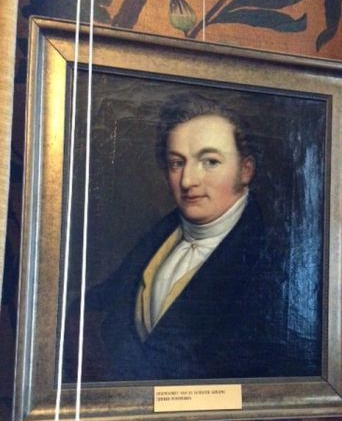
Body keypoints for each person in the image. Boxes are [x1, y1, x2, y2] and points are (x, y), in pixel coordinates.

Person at [65, 93, 278, 382]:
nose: (188, 181)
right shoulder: (160, 235)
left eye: (210, 162)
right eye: (177, 163)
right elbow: (98, 307)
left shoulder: (268, 256)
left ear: (245, 170)